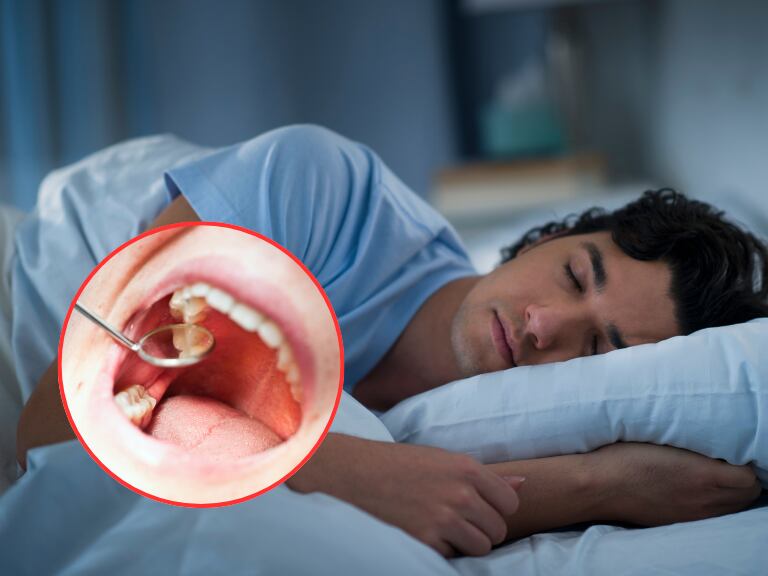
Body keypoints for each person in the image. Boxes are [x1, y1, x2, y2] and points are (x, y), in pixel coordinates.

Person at [14, 125, 767, 558]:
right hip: (36, 285)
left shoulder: (514, 426)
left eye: (599, 350)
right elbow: (48, 431)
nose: (545, 327)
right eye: (575, 275)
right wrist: (339, 470)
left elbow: (443, 502)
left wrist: (610, 486)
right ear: (552, 236)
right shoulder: (321, 191)